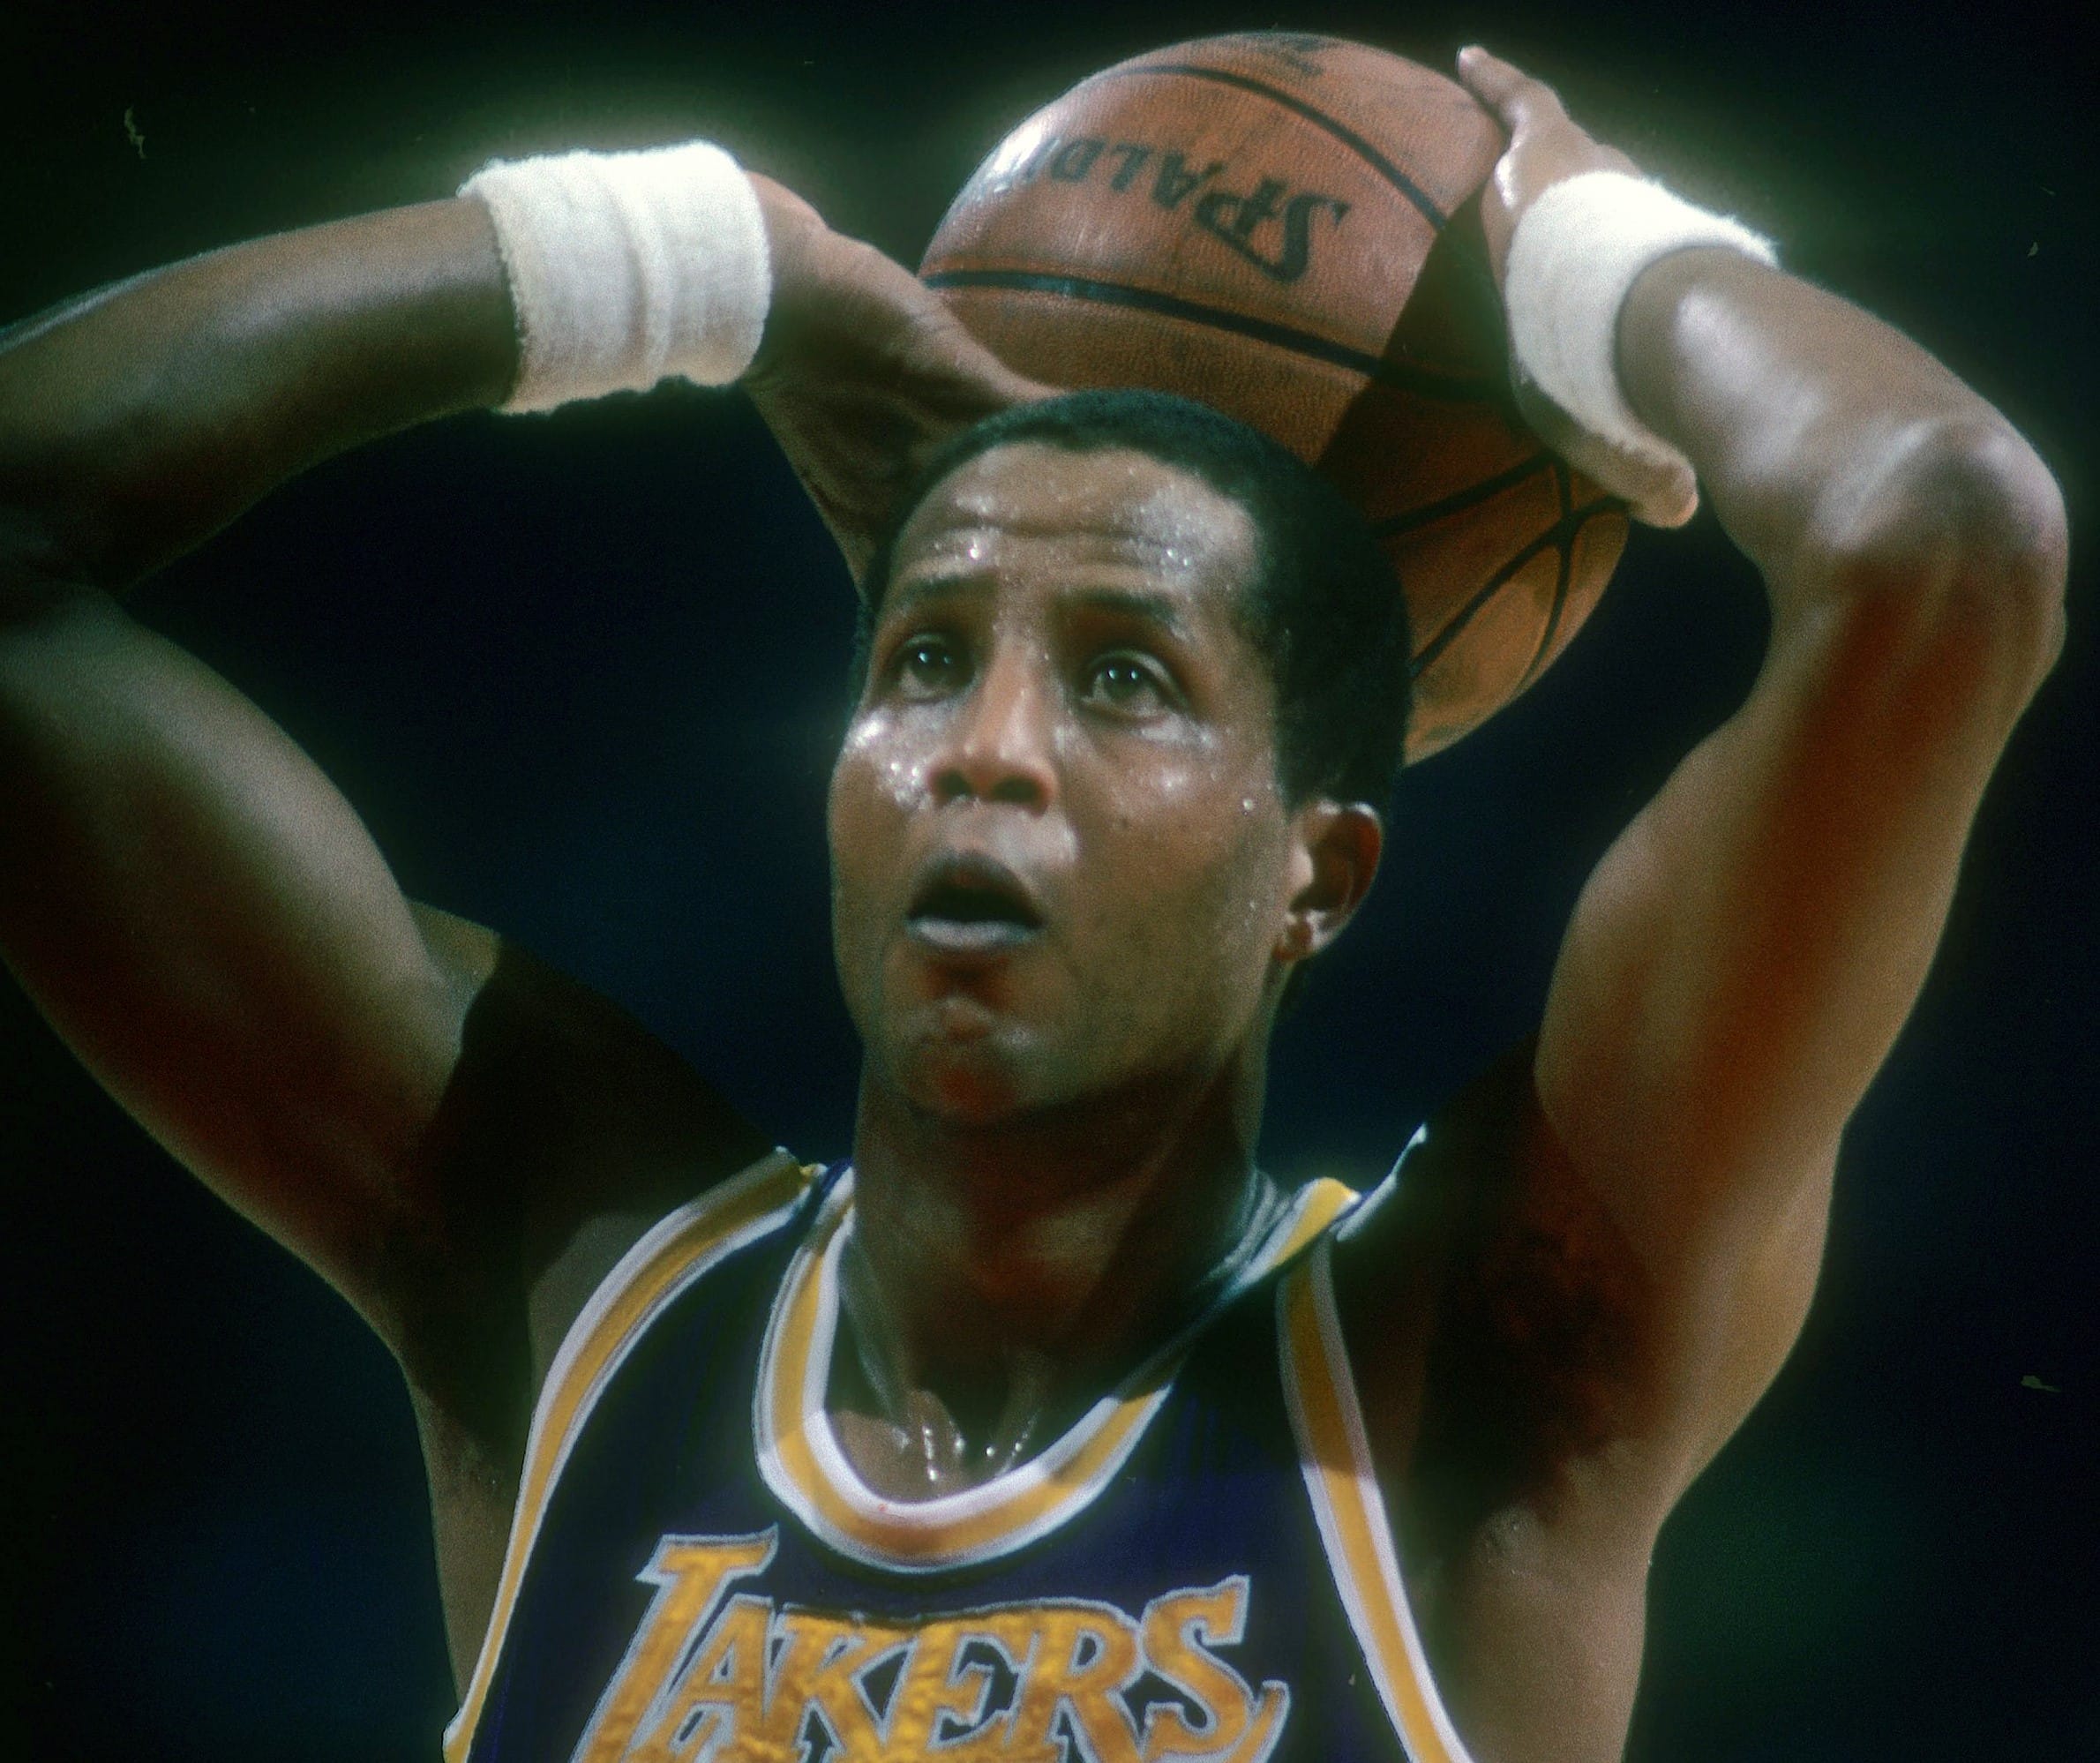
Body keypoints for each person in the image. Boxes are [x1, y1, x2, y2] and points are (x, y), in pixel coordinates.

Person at [0, 41, 2066, 1763]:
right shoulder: (573, 1280)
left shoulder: (1478, 1380)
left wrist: (1597, 267)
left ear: (1312, 872)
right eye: (919, 657)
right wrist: (697, 264)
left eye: (1122, 677)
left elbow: (1940, 539)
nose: (981, 748)